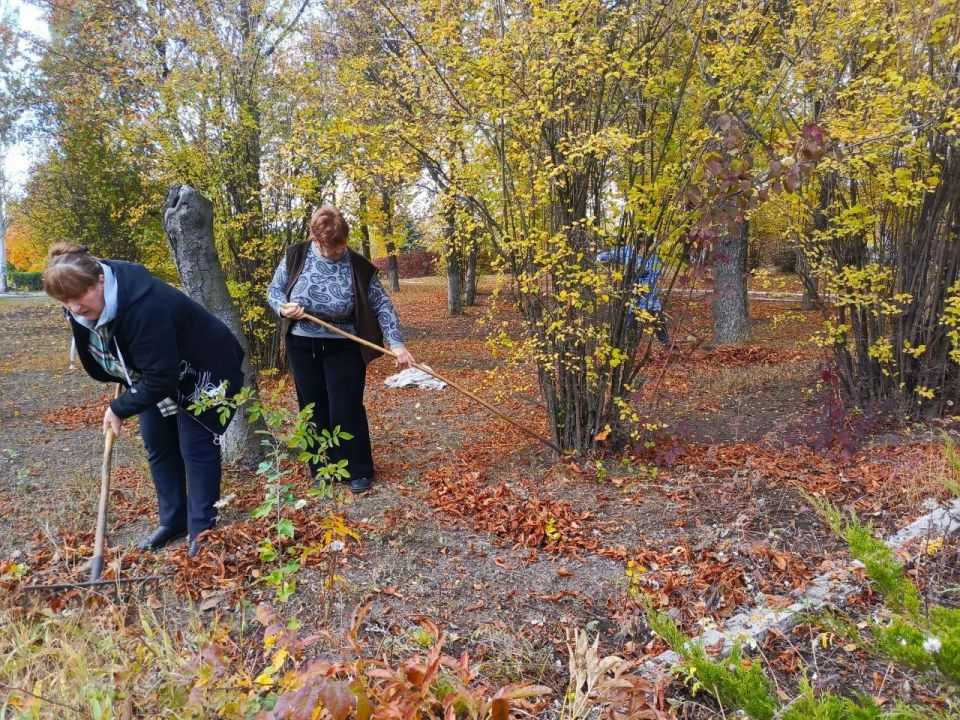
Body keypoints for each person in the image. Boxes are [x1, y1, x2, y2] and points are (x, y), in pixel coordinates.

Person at [43, 244, 245, 557]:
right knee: (158, 445)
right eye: (65, 302)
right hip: (154, 372)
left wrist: (119, 407)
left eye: (78, 297)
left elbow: (161, 377)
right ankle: (173, 521)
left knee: (196, 447)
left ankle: (201, 531)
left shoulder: (144, 304)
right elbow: (126, 354)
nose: (74, 308)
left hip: (208, 367)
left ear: (100, 281)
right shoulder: (85, 304)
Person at [267, 206, 414, 494]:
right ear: (315, 240)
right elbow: (274, 292)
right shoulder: (295, 255)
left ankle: (358, 469)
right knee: (312, 407)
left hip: (344, 345)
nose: (336, 251)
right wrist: (283, 308)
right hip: (302, 344)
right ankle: (322, 468)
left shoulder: (358, 266)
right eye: (328, 246)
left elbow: (382, 305)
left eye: (340, 245)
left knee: (345, 407)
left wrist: (397, 344)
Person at [597, 246, 670, 346]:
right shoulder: (628, 251)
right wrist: (600, 258)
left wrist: (640, 288)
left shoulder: (654, 258)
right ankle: (632, 346)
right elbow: (609, 255)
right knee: (630, 323)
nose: (642, 247)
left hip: (648, 296)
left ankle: (666, 343)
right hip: (631, 297)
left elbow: (653, 277)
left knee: (658, 318)